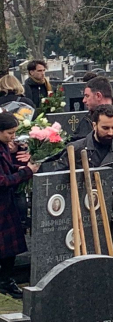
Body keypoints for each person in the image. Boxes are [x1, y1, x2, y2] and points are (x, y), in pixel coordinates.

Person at [53, 104, 113, 238]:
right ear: (94, 125)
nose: (110, 132)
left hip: (110, 215)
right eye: (105, 128)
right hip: (81, 216)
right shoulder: (75, 149)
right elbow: (58, 185)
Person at [0, 111, 38, 298]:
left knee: (10, 249)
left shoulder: (3, 146)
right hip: (2, 206)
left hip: (6, 205)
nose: (13, 137)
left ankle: (5, 280)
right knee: (6, 247)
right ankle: (5, 281)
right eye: (10, 133)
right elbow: (2, 181)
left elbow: (7, 169)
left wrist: (20, 168)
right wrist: (26, 172)